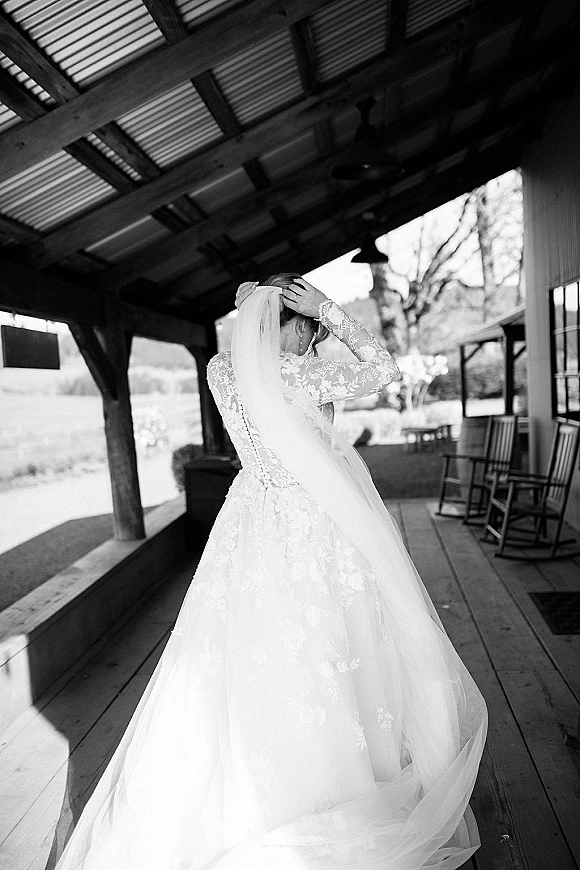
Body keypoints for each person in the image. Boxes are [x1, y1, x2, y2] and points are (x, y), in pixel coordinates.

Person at [53, 274, 487, 870]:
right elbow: (383, 367)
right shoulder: (304, 376)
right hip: (313, 521)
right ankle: (330, 781)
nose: (314, 341)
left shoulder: (221, 373)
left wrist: (263, 309)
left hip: (252, 517)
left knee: (244, 645)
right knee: (332, 642)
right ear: (295, 321)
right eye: (308, 329)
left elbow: (254, 361)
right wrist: (331, 309)